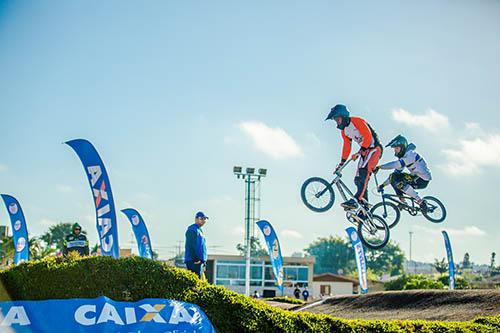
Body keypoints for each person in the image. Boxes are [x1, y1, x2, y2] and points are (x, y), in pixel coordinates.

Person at [326, 104, 383, 210]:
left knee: (364, 173)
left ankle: (356, 200)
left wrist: (361, 150)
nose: (336, 122)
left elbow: (368, 136)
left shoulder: (357, 121)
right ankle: (364, 204)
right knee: (357, 179)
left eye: (337, 119)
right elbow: (347, 147)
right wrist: (342, 163)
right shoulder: (344, 132)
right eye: (335, 120)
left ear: (343, 116)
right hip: (364, 151)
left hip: (374, 148)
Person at [375, 135, 432, 212]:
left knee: (398, 181)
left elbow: (395, 164)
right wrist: (383, 185)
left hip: (422, 179)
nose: (395, 151)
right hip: (416, 177)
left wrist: (380, 167)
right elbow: (394, 175)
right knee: (394, 178)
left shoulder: (410, 155)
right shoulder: (404, 158)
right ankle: (403, 202)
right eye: (394, 149)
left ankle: (421, 202)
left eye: (397, 148)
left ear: (402, 147)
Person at [184, 211, 208, 278]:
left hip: (199, 262)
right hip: (193, 261)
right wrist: (195, 259)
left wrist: (204, 263)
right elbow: (190, 245)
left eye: (205, 219)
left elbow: (202, 247)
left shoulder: (199, 230)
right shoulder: (192, 229)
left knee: (199, 283)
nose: (203, 220)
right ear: (196, 219)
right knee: (195, 283)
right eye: (202, 218)